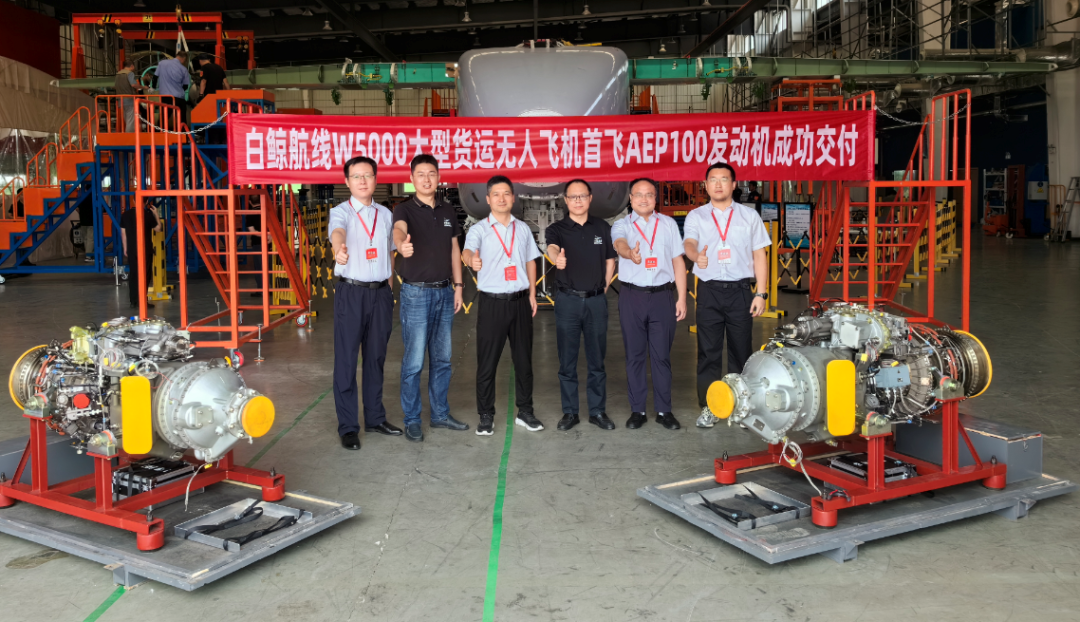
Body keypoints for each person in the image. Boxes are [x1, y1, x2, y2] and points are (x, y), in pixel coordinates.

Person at [682, 163, 771, 429]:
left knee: (741, 352)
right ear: (706, 185)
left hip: (740, 292)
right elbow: (689, 243)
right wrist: (695, 256)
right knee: (708, 352)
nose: (718, 184)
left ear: (734, 185)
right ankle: (710, 407)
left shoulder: (749, 216)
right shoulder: (696, 216)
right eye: (713, 179)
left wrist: (761, 293)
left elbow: (759, 255)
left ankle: (741, 408)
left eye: (724, 179)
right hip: (708, 291)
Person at [393, 154, 468, 442]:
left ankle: (439, 415)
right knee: (414, 362)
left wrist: (458, 286)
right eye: (421, 174)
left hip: (445, 292)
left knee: (443, 359)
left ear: (439, 177)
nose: (427, 179)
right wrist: (401, 245)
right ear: (411, 179)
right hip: (416, 294)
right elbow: (398, 230)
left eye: (432, 174)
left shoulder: (448, 210)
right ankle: (412, 419)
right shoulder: (404, 209)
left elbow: (454, 250)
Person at [462, 176, 543, 436]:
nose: (501, 198)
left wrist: (532, 293)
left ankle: (526, 411)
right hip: (492, 304)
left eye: (506, 193)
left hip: (520, 302)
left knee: (524, 362)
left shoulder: (523, 228)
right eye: (496, 194)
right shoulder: (479, 230)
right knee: (487, 363)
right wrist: (471, 261)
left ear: (513, 197)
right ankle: (486, 415)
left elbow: (531, 261)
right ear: (488, 199)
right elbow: (467, 251)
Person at [329, 156, 399, 450]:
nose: (362, 181)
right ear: (347, 182)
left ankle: (375, 418)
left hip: (381, 293)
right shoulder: (340, 212)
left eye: (368, 175)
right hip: (352, 293)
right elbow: (338, 232)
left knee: (376, 358)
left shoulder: (385, 214)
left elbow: (390, 253)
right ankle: (348, 427)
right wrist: (338, 249)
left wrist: (390, 289)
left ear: (375, 180)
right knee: (346, 360)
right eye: (356, 176)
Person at [611, 178, 688, 431]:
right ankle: (638, 410)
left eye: (649, 194)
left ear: (656, 199)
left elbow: (678, 261)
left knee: (661, 356)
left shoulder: (668, 224)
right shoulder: (621, 224)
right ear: (630, 199)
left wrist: (682, 297)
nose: (644, 199)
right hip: (632, 296)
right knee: (634, 355)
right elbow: (619, 243)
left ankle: (664, 410)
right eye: (638, 194)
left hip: (662, 297)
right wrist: (629, 253)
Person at [544, 179, 617, 431]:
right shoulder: (557, 228)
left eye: (582, 196)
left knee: (597, 360)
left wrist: (603, 287)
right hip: (568, 301)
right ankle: (570, 412)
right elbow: (551, 248)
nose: (578, 201)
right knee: (567, 360)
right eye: (573, 197)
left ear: (590, 198)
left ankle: (597, 411)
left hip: (596, 301)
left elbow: (610, 260)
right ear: (566, 200)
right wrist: (557, 259)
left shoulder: (602, 227)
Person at [121, 202, 162, 309]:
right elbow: (158, 228)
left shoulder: (125, 215)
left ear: (134, 201)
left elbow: (123, 233)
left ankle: (133, 301)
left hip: (132, 249)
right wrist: (156, 214)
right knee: (145, 275)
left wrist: (125, 247)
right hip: (145, 249)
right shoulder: (147, 215)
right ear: (146, 202)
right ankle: (143, 301)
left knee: (134, 274)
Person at [155, 51, 191, 125]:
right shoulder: (183, 69)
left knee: (163, 118)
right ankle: (182, 131)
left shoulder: (162, 63)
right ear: (183, 59)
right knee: (182, 119)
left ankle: (159, 131)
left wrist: (152, 87)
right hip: (179, 97)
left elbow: (155, 77)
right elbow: (185, 86)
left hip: (165, 96)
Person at [114, 59, 142, 132]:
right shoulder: (130, 73)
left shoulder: (118, 74)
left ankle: (129, 134)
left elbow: (115, 86)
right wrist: (142, 87)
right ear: (132, 66)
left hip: (120, 100)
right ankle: (129, 136)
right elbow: (133, 84)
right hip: (129, 99)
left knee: (127, 119)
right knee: (131, 121)